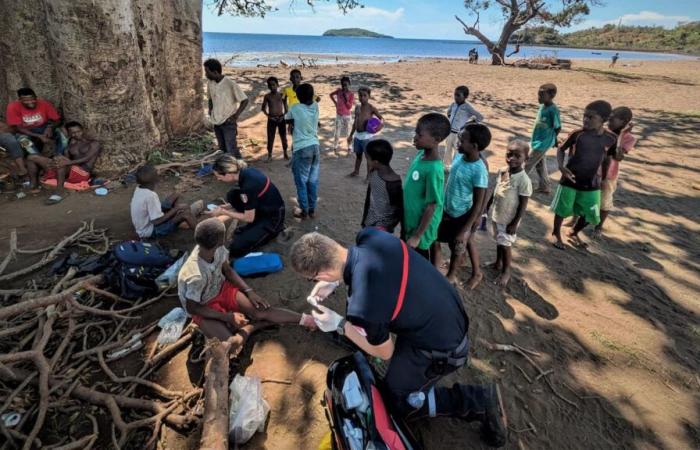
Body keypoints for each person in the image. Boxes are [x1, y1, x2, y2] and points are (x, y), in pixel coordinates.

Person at [290, 230, 507, 448]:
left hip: (443, 346)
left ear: (321, 276)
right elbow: (353, 264)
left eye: (313, 279)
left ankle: (478, 401)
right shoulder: (371, 237)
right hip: (444, 311)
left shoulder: (362, 307)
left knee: (397, 402)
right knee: (393, 383)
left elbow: (385, 352)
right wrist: (335, 282)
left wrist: (339, 324)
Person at [179, 219, 315, 340]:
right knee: (230, 343)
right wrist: (228, 317)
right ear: (219, 241)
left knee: (261, 312)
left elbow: (228, 270)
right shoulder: (195, 275)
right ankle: (252, 327)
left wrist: (249, 291)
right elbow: (193, 308)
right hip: (203, 305)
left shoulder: (217, 250)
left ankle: (307, 320)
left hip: (221, 289)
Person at [550, 100, 617, 249]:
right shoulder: (577, 134)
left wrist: (604, 177)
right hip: (570, 179)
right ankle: (556, 233)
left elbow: (608, 158)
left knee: (591, 213)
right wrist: (561, 167)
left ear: (603, 120)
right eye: (584, 116)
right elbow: (561, 149)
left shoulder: (611, 138)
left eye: (591, 117)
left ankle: (574, 232)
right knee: (562, 209)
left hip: (592, 183)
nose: (585, 120)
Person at [432, 123, 490, 288]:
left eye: (462, 140)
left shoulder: (479, 170)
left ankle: (452, 275)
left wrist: (466, 227)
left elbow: (478, 204)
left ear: (474, 146)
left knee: (459, 244)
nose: (458, 142)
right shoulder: (459, 156)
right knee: (442, 238)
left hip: (463, 214)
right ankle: (456, 265)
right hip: (447, 209)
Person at [207, 155, 286, 257]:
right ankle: (256, 227)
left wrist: (223, 212)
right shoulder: (246, 172)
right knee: (232, 195)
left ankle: (275, 229)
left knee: (236, 248)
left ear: (228, 174)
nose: (218, 179)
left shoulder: (248, 186)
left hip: (273, 218)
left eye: (219, 176)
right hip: (264, 206)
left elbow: (249, 218)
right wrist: (226, 207)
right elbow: (251, 196)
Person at [403, 113, 450, 262]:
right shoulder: (420, 155)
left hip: (420, 229)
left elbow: (432, 205)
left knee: (418, 260)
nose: (415, 137)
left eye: (419, 134)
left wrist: (417, 236)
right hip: (411, 221)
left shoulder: (434, 169)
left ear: (437, 140)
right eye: (415, 132)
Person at [486, 140, 532, 287]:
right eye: (509, 154)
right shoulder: (502, 171)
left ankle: (506, 272)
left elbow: (523, 205)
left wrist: (514, 223)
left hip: (509, 219)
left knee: (505, 244)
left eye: (517, 156)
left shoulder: (524, 180)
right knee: (499, 241)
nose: (512, 158)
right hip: (496, 213)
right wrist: (488, 206)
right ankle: (497, 263)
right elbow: (496, 190)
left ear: (526, 159)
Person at [26, 121, 101, 204]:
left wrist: (65, 163)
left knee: (61, 163)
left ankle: (59, 192)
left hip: (83, 172)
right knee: (32, 157)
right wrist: (56, 160)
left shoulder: (93, 143)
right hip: (69, 170)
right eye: (73, 133)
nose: (76, 134)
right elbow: (66, 160)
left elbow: (86, 158)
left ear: (82, 130)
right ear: (69, 133)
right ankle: (33, 185)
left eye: (78, 131)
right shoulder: (71, 145)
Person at [5, 88, 67, 174]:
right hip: (25, 131)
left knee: (62, 133)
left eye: (33, 99)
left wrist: (50, 127)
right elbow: (17, 128)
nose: (31, 102)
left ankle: (59, 157)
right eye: (26, 100)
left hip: (43, 127)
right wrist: (39, 136)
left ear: (36, 97)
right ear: (20, 100)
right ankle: (42, 162)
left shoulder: (44, 104)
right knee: (24, 141)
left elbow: (57, 120)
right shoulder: (13, 107)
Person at [130, 164, 198, 239]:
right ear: (155, 179)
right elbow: (156, 221)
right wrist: (176, 209)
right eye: (157, 174)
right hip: (148, 231)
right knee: (186, 214)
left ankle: (178, 221)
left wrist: (175, 211)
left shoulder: (139, 188)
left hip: (147, 221)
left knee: (176, 195)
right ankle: (203, 234)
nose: (159, 175)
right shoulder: (150, 196)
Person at [285, 83, 320, 220]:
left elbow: (287, 119)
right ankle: (312, 210)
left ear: (298, 97)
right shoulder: (316, 106)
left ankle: (304, 210)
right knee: (312, 181)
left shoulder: (295, 107)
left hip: (301, 148)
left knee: (301, 182)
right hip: (315, 147)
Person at [203, 58, 249, 159]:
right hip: (217, 122)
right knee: (222, 148)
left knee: (230, 147)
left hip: (228, 122)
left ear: (215, 72)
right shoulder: (210, 83)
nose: (205, 74)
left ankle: (237, 168)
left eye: (207, 72)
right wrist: (211, 111)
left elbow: (245, 100)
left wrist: (235, 116)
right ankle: (233, 167)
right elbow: (210, 99)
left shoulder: (230, 84)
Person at [525, 83, 561, 194]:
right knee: (540, 165)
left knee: (527, 164)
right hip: (537, 140)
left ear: (551, 95)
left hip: (543, 143)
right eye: (538, 95)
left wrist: (554, 139)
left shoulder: (553, 110)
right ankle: (544, 186)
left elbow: (558, 127)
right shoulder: (542, 107)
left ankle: (516, 185)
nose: (539, 98)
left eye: (542, 95)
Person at [361, 139, 403, 234]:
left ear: (375, 162)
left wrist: (388, 226)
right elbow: (369, 198)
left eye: (367, 158)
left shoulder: (393, 182)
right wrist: (365, 219)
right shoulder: (374, 173)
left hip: (383, 230)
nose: (366, 161)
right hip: (369, 223)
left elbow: (398, 209)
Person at [444, 86, 484, 172]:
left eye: (458, 95)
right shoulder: (453, 105)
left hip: (459, 134)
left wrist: (468, 123)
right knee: (447, 149)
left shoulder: (467, 107)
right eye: (455, 94)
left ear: (465, 96)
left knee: (458, 151)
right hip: (449, 132)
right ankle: (446, 166)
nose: (455, 97)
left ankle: (455, 168)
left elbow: (480, 117)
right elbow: (449, 113)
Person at [346, 86, 383, 179]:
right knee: (358, 155)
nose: (362, 97)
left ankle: (369, 175)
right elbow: (355, 122)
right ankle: (356, 171)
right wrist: (350, 135)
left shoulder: (371, 108)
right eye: (360, 95)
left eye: (364, 95)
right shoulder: (357, 107)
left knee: (368, 157)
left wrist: (378, 128)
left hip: (367, 137)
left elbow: (381, 119)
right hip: (358, 136)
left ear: (369, 96)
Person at [262, 76, 289, 161]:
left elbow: (286, 108)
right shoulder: (267, 96)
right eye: (270, 85)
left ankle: (285, 153)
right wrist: (269, 117)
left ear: (277, 85)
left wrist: (283, 116)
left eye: (273, 85)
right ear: (268, 86)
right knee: (270, 137)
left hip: (281, 119)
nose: (272, 87)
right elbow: (263, 108)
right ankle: (269, 155)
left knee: (283, 137)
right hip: (271, 119)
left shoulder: (282, 95)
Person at [329, 76, 354, 154]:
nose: (344, 87)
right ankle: (335, 146)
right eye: (343, 85)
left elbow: (349, 107)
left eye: (346, 85)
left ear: (349, 84)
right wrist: (335, 103)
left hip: (347, 116)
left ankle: (349, 146)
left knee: (348, 132)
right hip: (339, 115)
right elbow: (331, 95)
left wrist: (346, 99)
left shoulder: (351, 94)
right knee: (337, 132)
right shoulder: (339, 91)